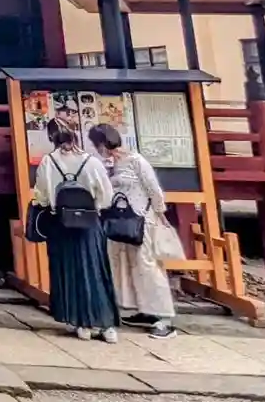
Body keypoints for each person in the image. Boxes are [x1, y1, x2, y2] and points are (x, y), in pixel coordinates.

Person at [33, 117, 121, 342]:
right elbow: (106, 197)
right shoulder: (91, 162)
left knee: (69, 272)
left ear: (51, 137)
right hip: (90, 224)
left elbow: (42, 197)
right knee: (95, 270)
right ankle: (105, 324)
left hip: (61, 223)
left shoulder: (48, 162)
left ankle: (81, 322)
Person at [88, 123, 178, 338]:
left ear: (102, 144)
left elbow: (153, 189)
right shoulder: (109, 164)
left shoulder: (136, 161)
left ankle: (164, 318)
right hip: (121, 221)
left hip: (142, 220)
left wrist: (160, 212)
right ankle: (145, 309)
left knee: (148, 266)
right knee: (129, 267)